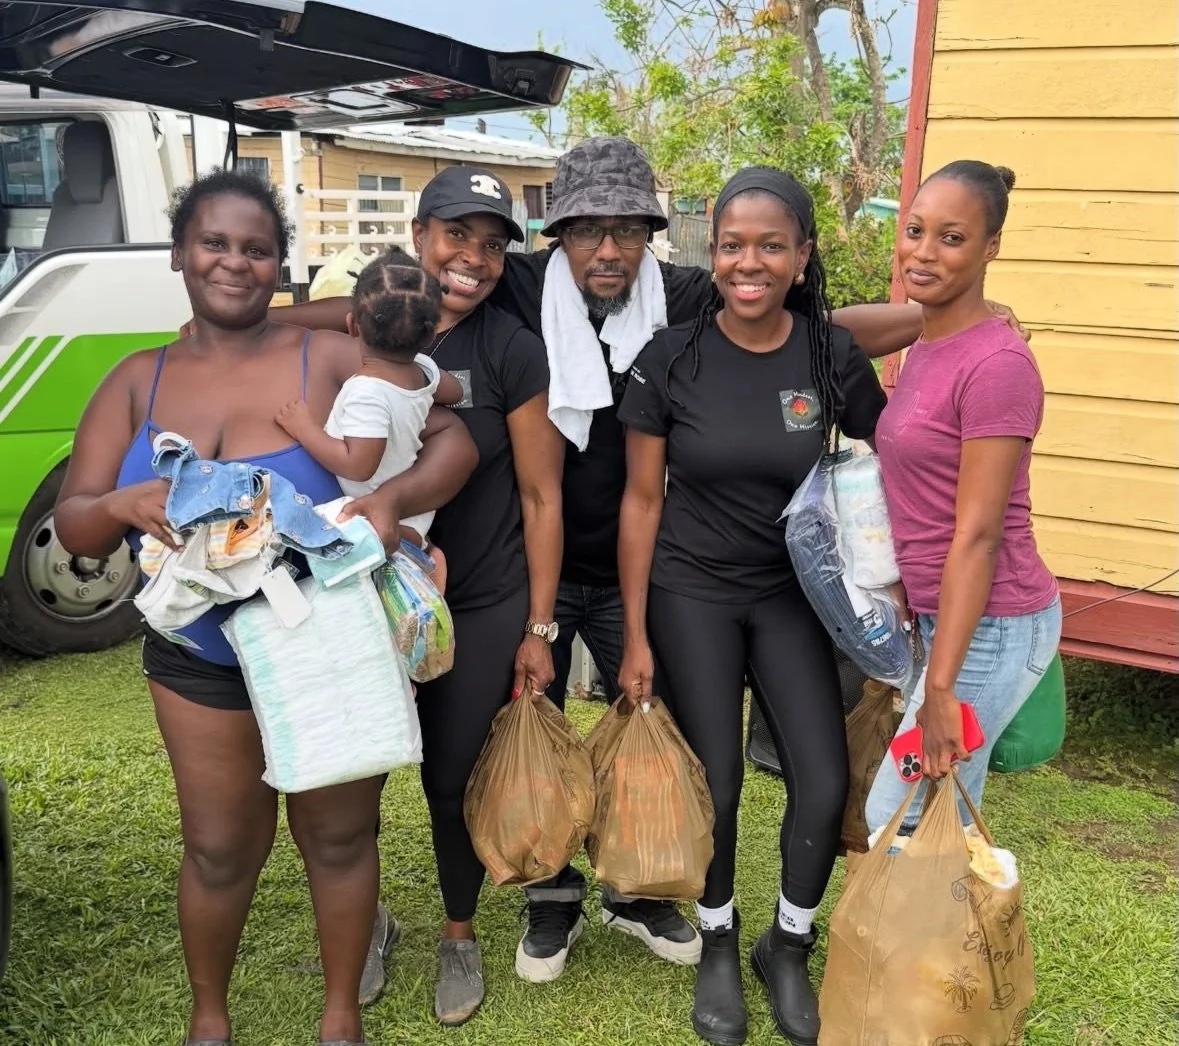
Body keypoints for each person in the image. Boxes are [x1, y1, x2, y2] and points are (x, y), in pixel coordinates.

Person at [268, 138, 1006, 985]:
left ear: (653, 236)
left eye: (627, 230)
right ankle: (551, 892)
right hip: (529, 559)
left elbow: (812, 329)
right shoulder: (512, 278)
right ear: (556, 238)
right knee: (525, 733)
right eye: (585, 230)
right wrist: (262, 321)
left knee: (665, 743)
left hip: (645, 568)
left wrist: (949, 317)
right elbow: (388, 306)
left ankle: (640, 888)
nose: (607, 250)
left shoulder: (686, 292)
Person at [52, 170, 477, 1046]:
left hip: (330, 644)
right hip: (197, 660)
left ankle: (338, 1020)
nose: (234, 263)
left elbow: (453, 440)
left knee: (338, 839)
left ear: (280, 266)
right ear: (179, 254)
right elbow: (75, 520)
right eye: (214, 244)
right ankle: (209, 1019)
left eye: (256, 249)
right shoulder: (138, 377)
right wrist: (126, 507)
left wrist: (392, 500)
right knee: (216, 849)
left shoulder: (327, 359)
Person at [617, 166, 888, 1046]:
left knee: (821, 779)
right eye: (733, 244)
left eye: (771, 246)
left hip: (790, 597)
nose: (749, 262)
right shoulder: (672, 359)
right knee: (719, 784)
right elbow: (641, 502)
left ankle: (788, 943)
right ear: (712, 248)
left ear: (801, 257)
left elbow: (890, 465)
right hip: (689, 590)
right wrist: (632, 634)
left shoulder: (828, 355)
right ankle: (720, 941)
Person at [368, 166, 565, 1026]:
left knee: (451, 778)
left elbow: (541, 496)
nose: (473, 259)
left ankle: (457, 932)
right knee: (358, 776)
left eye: (492, 246)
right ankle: (364, 917)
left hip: (481, 598)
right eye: (457, 236)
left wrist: (539, 626)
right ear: (418, 236)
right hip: (363, 596)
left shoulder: (512, 348)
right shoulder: (368, 324)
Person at [863, 161, 1062, 838]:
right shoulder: (926, 342)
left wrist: (940, 688)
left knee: (900, 812)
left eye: (951, 238)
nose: (922, 251)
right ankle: (953, 940)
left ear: (990, 248)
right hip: (943, 617)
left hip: (992, 623)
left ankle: (932, 942)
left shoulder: (997, 366)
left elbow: (976, 536)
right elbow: (821, 331)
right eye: (914, 230)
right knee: (939, 816)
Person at [273, 246, 464, 548]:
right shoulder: (425, 370)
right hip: (415, 505)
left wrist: (304, 429)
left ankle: (417, 548)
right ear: (429, 336)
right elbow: (457, 391)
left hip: (376, 510)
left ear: (351, 326)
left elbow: (358, 465)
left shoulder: (367, 392)